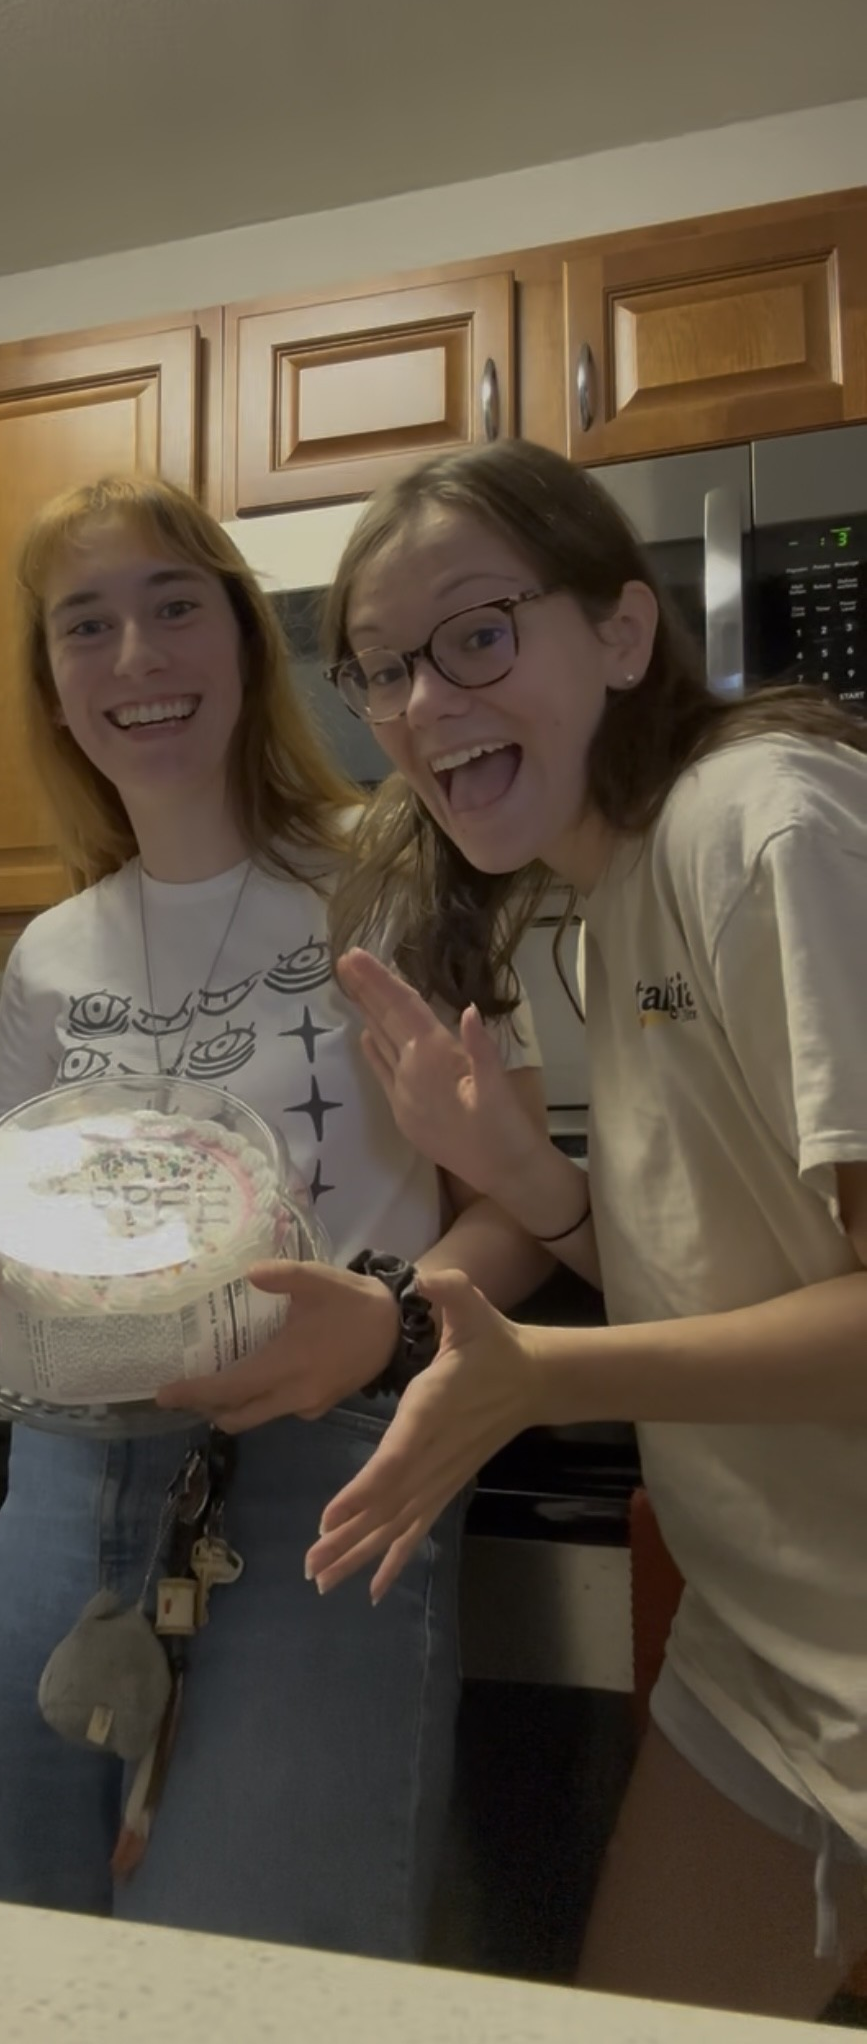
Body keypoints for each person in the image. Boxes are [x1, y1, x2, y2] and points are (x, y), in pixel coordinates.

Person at [0, 474, 553, 1958]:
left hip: (331, 1462)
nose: (134, 657)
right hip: (69, 1475)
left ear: (243, 642)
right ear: (54, 686)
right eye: (87, 625)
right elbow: (1, 1224)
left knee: (261, 1955)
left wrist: (383, 1318)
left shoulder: (389, 876)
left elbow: (519, 1211)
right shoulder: (52, 958)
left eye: (172, 606)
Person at [299, 438, 867, 2019]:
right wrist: (535, 1191)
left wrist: (540, 1372)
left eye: (477, 635)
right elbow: (737, 1272)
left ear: (620, 634)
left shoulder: (765, 829)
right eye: (381, 670)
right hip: (767, 1658)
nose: (421, 705)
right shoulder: (609, 901)